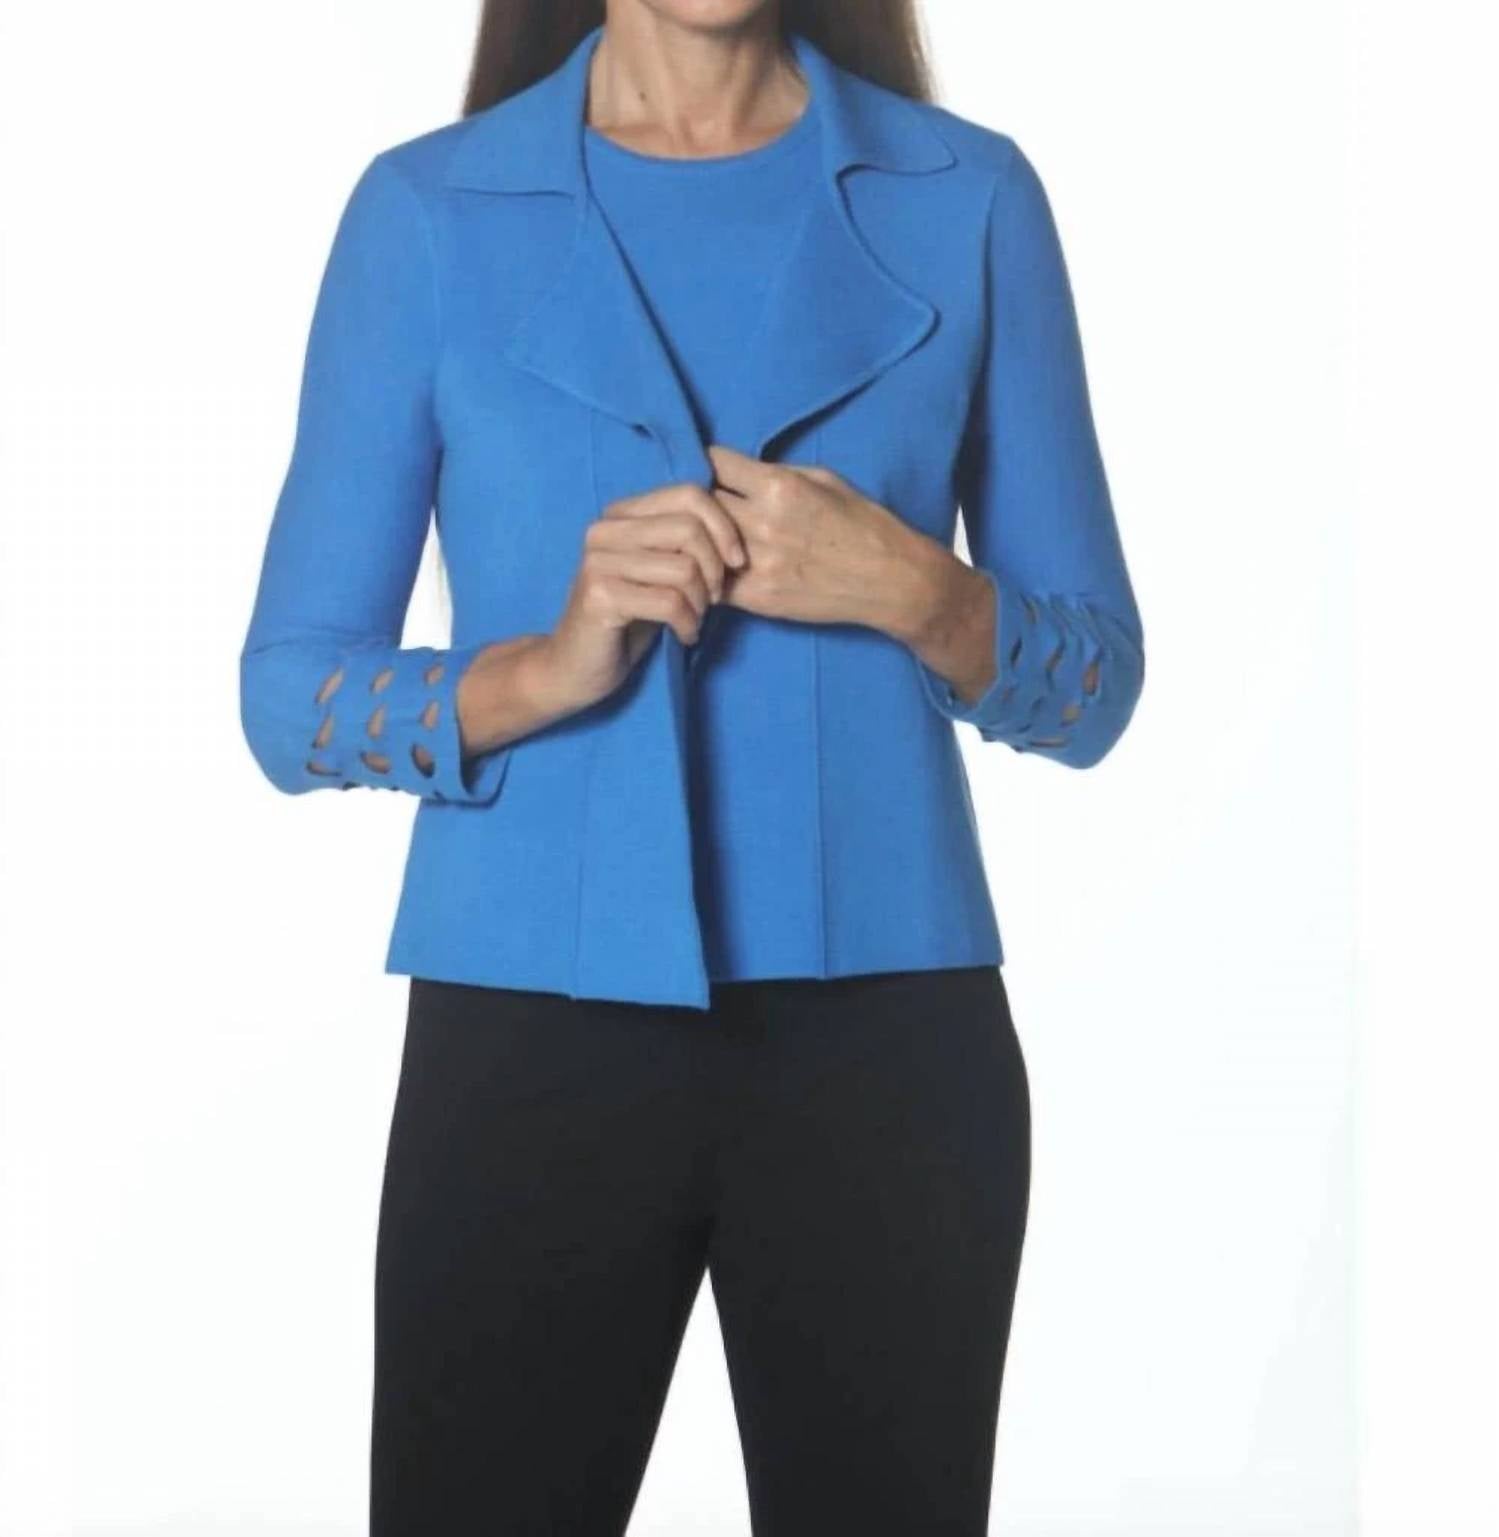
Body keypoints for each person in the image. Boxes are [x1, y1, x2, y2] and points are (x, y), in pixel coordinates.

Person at [237, 1, 1145, 1531]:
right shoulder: (426, 212)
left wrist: (917, 589)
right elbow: (285, 694)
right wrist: (542, 664)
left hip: (889, 1048)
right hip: (525, 1033)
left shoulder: (970, 196)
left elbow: (1096, 684)